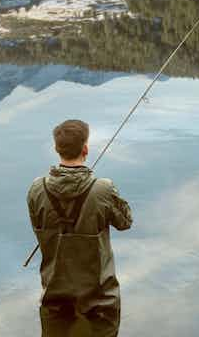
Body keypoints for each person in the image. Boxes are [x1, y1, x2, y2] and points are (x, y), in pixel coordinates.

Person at [27, 119, 133, 337]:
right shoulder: (103, 189)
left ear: (57, 149)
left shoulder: (37, 189)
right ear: (85, 148)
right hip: (100, 302)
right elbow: (125, 222)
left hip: (55, 301)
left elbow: (37, 226)